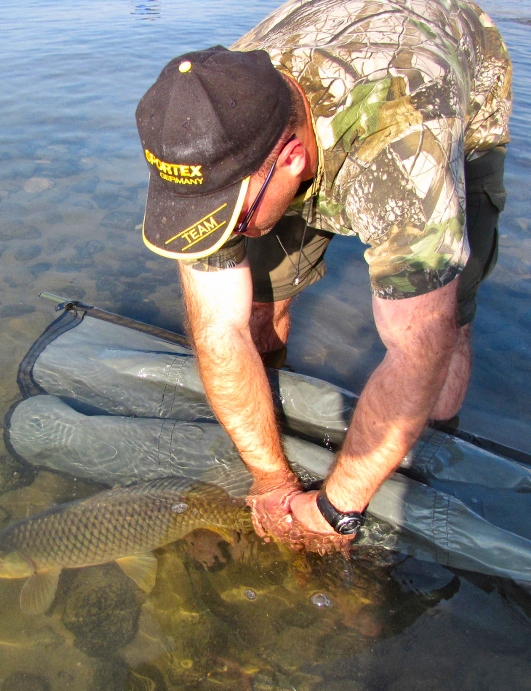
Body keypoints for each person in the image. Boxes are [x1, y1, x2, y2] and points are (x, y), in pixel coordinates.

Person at [135, 0, 511, 548]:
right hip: (313, 58)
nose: (223, 233)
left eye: (231, 217)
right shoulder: (212, 119)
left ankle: (427, 467)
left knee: (442, 328)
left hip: (440, 72)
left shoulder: (406, 152)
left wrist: (339, 508)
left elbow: (418, 349)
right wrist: (269, 476)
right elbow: (221, 327)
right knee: (256, 305)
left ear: (289, 159)